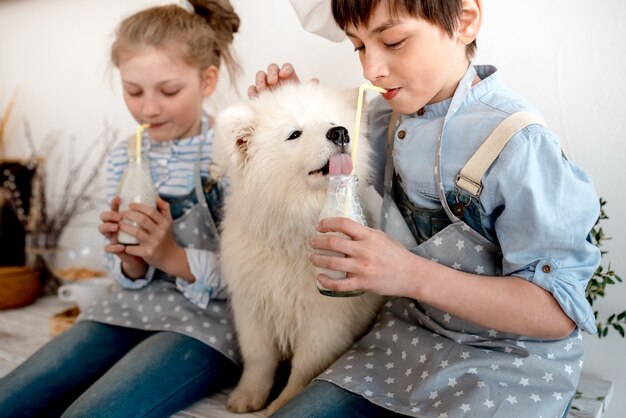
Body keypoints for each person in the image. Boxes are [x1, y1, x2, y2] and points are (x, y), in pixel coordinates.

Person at [250, 1, 601, 417]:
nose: (370, 69)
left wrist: (408, 274)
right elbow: (317, 164)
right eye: (359, 47)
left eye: (393, 41)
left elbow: (556, 313)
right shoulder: (384, 116)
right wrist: (290, 118)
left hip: (505, 366)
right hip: (402, 341)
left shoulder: (520, 144)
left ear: (465, 21)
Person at [0, 1, 242, 417]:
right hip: (129, 307)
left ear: (207, 80)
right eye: (133, 91)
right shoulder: (123, 157)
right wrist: (130, 259)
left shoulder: (232, 151)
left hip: (210, 321)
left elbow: (253, 277)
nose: (148, 109)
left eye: (168, 91)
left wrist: (171, 256)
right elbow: (126, 277)